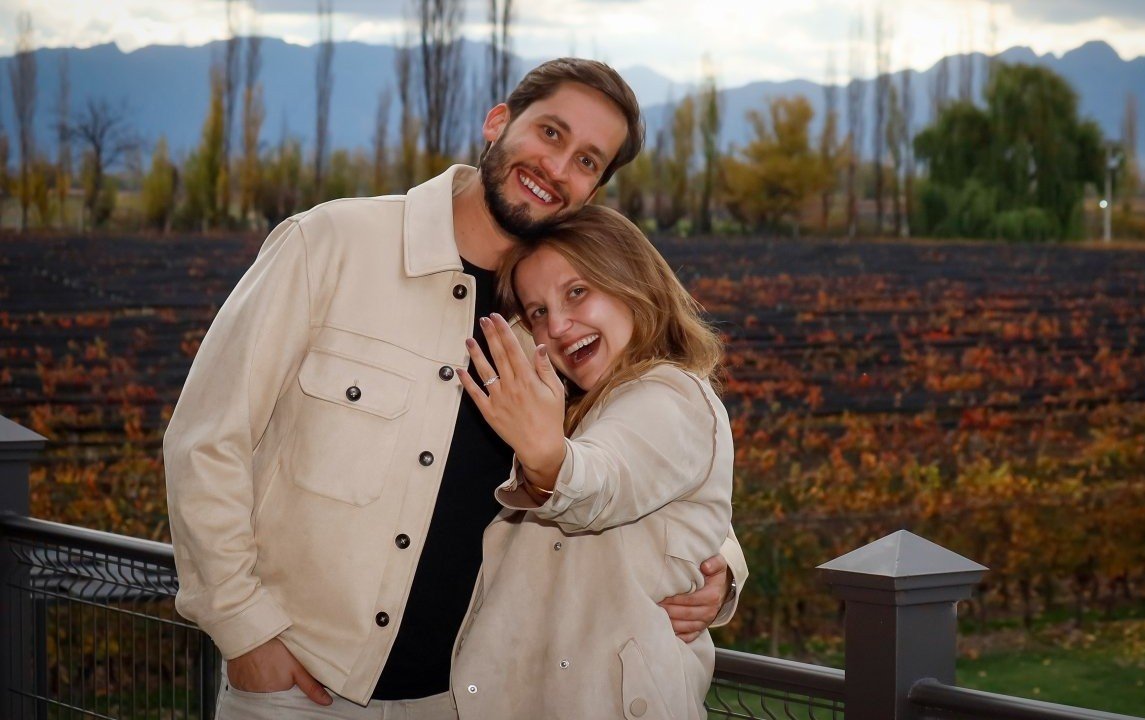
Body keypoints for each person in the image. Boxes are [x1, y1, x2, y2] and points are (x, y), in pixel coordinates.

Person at [163, 58, 747, 719]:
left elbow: (639, 459)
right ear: (498, 122)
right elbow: (205, 441)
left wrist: (718, 565)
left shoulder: (559, 329)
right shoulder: (330, 245)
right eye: (550, 133)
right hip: (299, 688)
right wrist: (243, 629)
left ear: (593, 190)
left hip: (465, 699)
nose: (557, 167)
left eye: (587, 161)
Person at [450, 205, 734, 719]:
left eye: (578, 292)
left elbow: (603, 479)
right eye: (538, 312)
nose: (558, 325)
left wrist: (548, 463)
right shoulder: (576, 403)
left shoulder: (669, 394)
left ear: (632, 282)